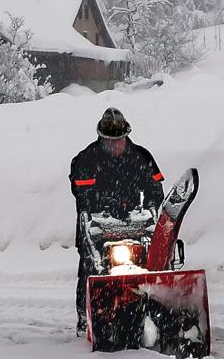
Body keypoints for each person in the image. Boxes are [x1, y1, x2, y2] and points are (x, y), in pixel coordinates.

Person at [69, 108, 165, 336]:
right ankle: (86, 317)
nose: (115, 145)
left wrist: (151, 205)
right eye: (110, 141)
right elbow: (82, 192)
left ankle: (155, 309)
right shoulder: (85, 159)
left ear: (126, 136)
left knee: (150, 263)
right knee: (90, 269)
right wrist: (103, 202)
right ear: (101, 138)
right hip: (97, 228)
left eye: (119, 140)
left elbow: (155, 186)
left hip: (134, 224)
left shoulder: (141, 156)